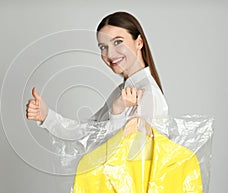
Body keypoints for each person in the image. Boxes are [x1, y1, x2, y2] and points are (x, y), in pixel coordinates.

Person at [26, 11, 168, 145]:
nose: (110, 53)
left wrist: (117, 111)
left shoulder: (148, 94)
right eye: (103, 47)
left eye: (118, 42)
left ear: (139, 42)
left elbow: (136, 159)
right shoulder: (123, 90)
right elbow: (88, 131)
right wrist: (46, 116)